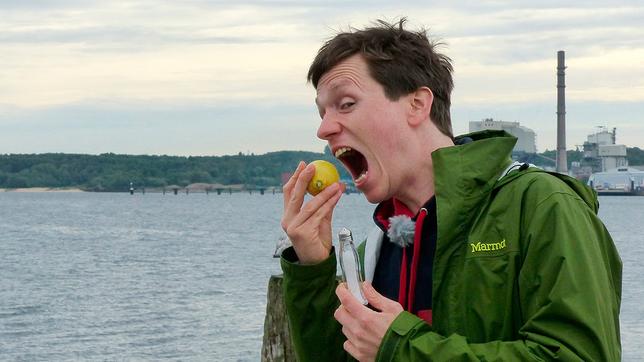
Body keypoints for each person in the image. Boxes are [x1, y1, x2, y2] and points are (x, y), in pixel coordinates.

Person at [279, 18, 622, 361]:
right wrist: (312, 269)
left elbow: (579, 355)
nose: (324, 129)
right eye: (322, 112)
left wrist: (402, 348)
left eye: (346, 103)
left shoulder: (542, 207)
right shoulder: (378, 249)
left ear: (417, 104)